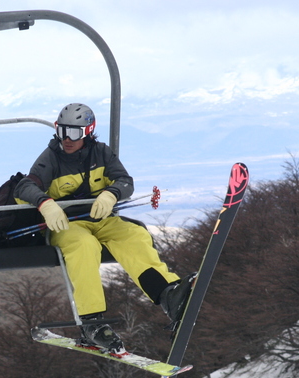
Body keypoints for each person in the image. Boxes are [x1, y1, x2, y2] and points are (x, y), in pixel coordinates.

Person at [14, 103, 194, 354]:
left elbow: (125, 182)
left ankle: (167, 294)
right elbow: (23, 188)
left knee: (135, 236)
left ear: (88, 131)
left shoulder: (101, 153)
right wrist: (45, 203)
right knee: (85, 246)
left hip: (103, 220)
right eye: (62, 130)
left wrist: (112, 194)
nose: (67, 138)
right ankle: (91, 322)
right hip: (67, 225)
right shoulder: (51, 158)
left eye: (74, 133)